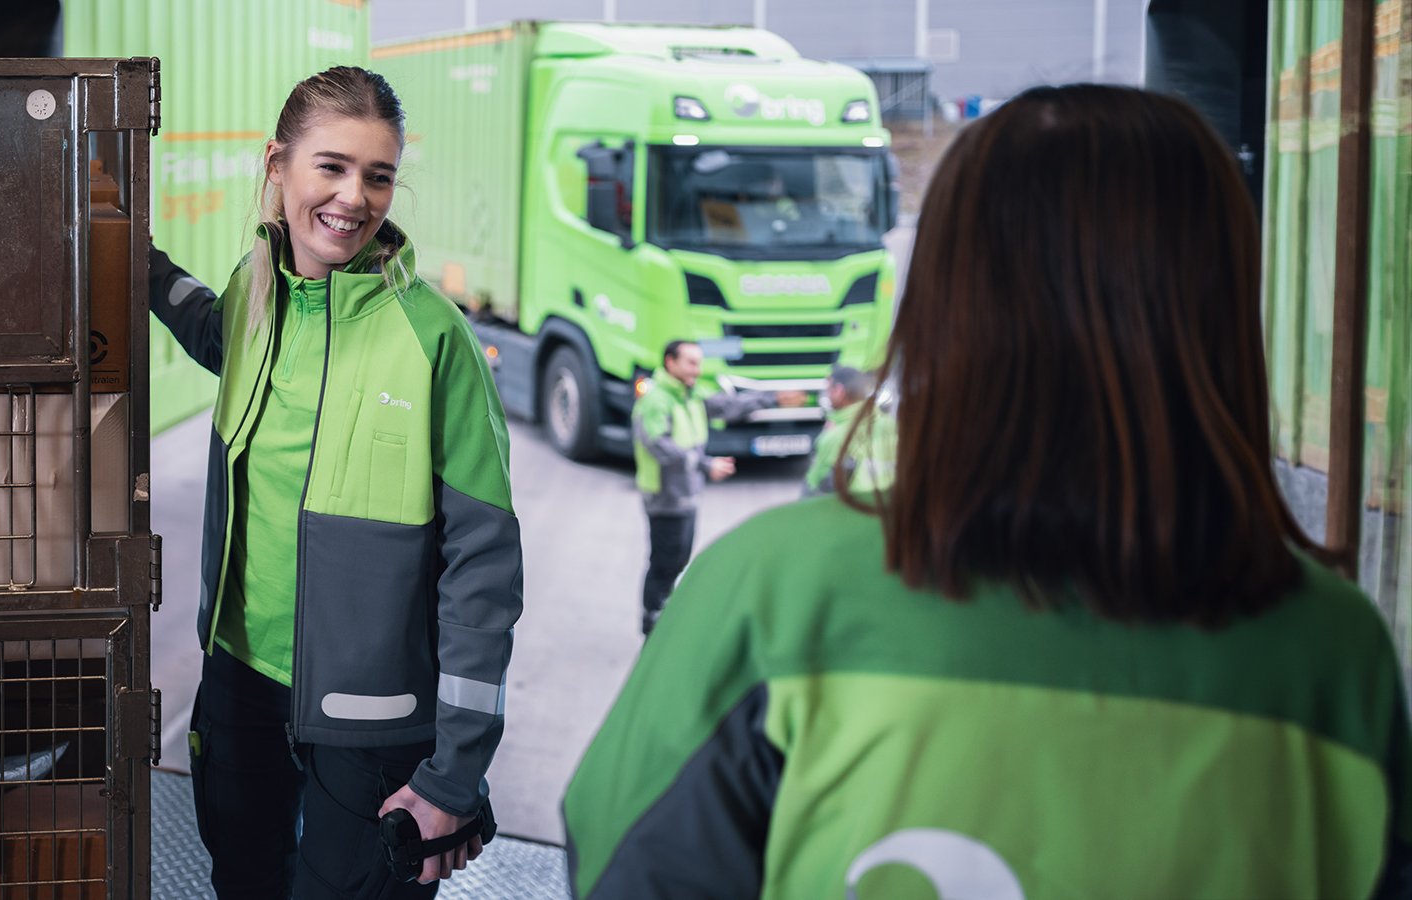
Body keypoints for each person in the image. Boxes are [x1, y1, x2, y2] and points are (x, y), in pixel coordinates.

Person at [564, 84, 1412, 898]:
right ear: (1225, 310)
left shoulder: (771, 592)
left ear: (942, 300)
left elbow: (620, 861)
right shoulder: (1338, 657)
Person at [147, 66, 522, 899]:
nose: (355, 197)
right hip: (240, 683)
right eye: (333, 166)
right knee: (244, 881)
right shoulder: (255, 293)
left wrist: (453, 775)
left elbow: (485, 572)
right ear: (278, 165)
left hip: (375, 722)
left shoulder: (435, 339)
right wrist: (139, 263)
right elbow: (213, 332)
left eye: (378, 174)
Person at [632, 339, 803, 636]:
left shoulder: (689, 395)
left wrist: (773, 399)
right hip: (665, 495)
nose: (697, 370)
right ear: (670, 363)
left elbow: (728, 406)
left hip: (686, 493)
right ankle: (652, 621)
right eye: (691, 363)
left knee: (678, 558)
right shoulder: (656, 401)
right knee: (664, 561)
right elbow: (659, 446)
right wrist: (705, 465)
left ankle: (663, 612)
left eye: (699, 363)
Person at [801, 363, 895, 497]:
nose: (827, 395)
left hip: (855, 511)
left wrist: (825, 437)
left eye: (828, 389)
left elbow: (813, 488)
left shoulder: (835, 437)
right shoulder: (893, 426)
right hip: (892, 509)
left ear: (839, 392)